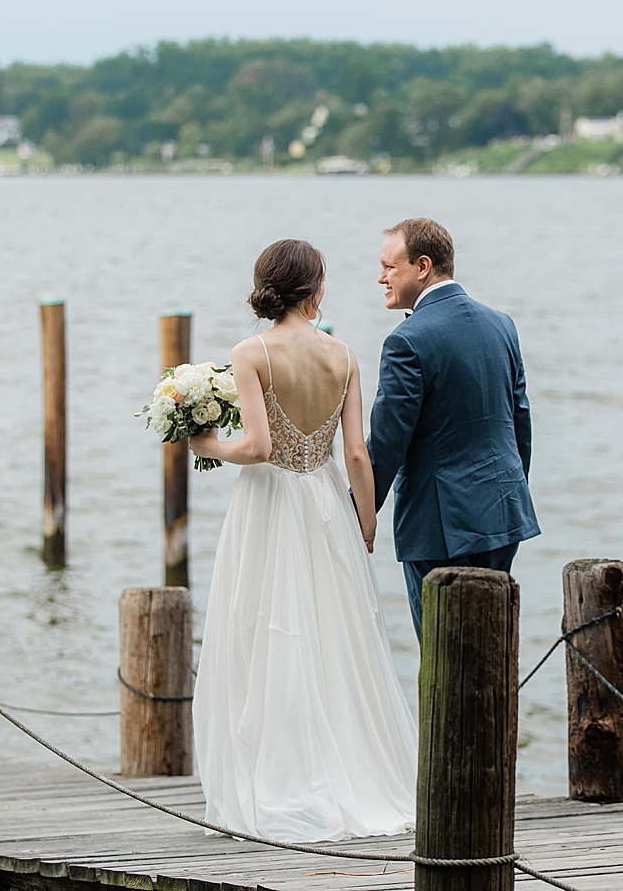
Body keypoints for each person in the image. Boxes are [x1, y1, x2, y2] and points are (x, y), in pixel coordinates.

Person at [189, 239, 417, 843]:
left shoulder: (253, 352)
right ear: (315, 288)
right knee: (333, 636)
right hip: (326, 505)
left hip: (269, 504)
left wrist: (207, 446)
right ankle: (349, 771)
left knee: (263, 632)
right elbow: (358, 453)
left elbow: (260, 448)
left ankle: (281, 774)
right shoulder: (342, 355)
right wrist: (365, 523)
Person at [368, 217, 540, 637]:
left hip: (439, 526)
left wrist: (356, 512)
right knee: (491, 647)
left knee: (443, 654)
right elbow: (520, 421)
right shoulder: (502, 324)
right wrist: (508, 490)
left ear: (422, 266)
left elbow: (388, 442)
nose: (380, 277)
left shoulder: (406, 341)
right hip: (502, 513)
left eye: (390, 267)